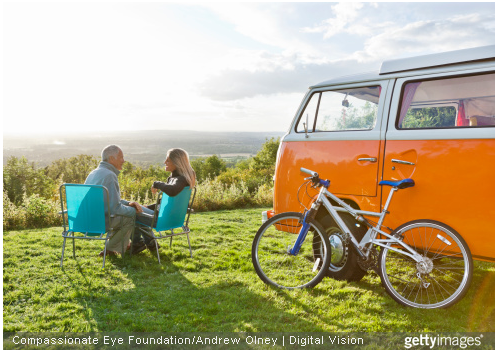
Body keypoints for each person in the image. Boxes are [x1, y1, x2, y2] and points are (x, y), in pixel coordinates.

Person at [131, 148, 196, 254]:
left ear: (176, 162)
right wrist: (149, 207)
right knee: (136, 208)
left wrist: (157, 183)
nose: (165, 162)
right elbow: (167, 201)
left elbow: (172, 191)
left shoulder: (180, 179)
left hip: (162, 220)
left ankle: (138, 244)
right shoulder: (181, 178)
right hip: (174, 219)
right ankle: (151, 244)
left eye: (168, 160)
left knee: (130, 212)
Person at [85, 145, 143, 256]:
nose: (124, 160)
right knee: (128, 218)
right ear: (112, 159)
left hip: (85, 221)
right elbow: (115, 208)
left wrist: (128, 203)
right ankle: (110, 249)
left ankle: (125, 245)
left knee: (124, 214)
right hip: (98, 223)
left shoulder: (93, 173)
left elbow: (108, 199)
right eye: (121, 157)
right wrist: (133, 210)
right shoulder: (110, 175)